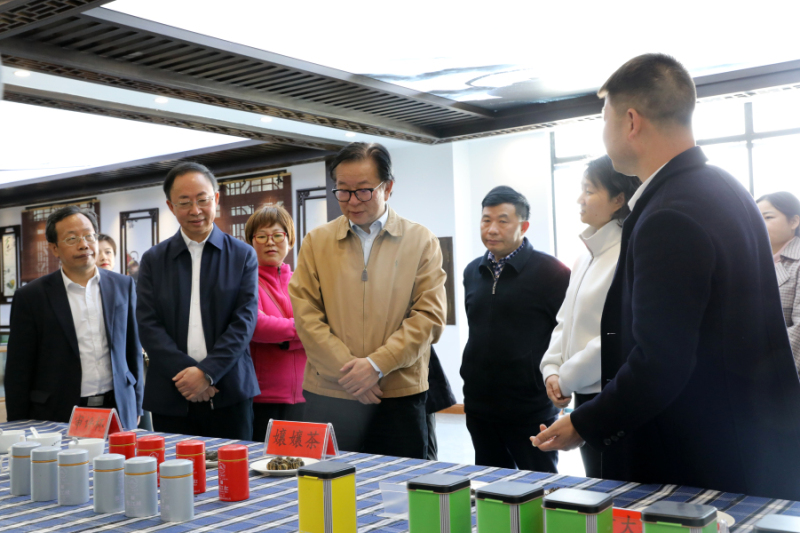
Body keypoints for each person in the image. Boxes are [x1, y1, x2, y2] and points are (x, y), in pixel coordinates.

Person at [532, 53, 800, 500]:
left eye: (604, 117)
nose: (603, 132)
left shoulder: (668, 214)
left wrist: (585, 422)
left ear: (630, 121)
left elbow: (661, 361)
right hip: (748, 441)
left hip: (694, 454)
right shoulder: (725, 187)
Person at [289, 142, 447, 459]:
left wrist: (376, 366)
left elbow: (429, 317)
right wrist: (351, 374)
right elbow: (306, 316)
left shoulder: (420, 240)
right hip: (330, 392)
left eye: (363, 191)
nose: (352, 201)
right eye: (343, 191)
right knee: (327, 482)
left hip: (398, 393)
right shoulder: (317, 242)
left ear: (388, 187)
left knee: (398, 484)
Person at [136, 162, 259, 440]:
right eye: (184, 202)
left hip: (229, 391)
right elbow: (148, 324)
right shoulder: (154, 260)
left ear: (216, 199)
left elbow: (244, 321)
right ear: (171, 206)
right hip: (172, 391)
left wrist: (207, 373)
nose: (195, 210)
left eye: (203, 200)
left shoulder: (242, 255)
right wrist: (188, 375)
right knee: (174, 466)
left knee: (232, 465)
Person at [539, 156, 640, 478]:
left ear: (618, 199)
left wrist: (565, 377)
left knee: (616, 488)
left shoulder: (628, 253)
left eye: (589, 190)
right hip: (582, 391)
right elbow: (564, 321)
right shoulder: (585, 256)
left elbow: (616, 335)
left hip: (610, 394)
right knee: (596, 484)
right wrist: (551, 369)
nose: (579, 199)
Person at [461, 186, 570, 472]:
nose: (492, 229)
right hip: (479, 404)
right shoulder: (472, 271)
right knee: (490, 480)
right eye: (486, 220)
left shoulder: (552, 272)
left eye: (503, 220)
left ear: (524, 226)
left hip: (530, 406)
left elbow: (567, 333)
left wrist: (564, 380)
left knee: (540, 482)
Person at [5, 207, 142, 429]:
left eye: (89, 236)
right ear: (54, 248)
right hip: (58, 412)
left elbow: (132, 350)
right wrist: (18, 425)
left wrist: (136, 404)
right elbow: (18, 369)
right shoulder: (31, 296)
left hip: (117, 407)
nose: (84, 244)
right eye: (72, 238)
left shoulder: (122, 285)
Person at [244, 205, 307, 443]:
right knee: (266, 461)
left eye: (278, 235)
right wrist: (303, 331)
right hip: (263, 398)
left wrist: (284, 338)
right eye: (261, 236)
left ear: (289, 240)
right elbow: (257, 326)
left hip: (306, 396)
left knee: (304, 462)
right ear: (251, 242)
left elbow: (325, 325)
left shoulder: (304, 282)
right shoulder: (246, 281)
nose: (270, 242)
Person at [757, 191, 800, 365]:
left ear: (794, 221)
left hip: (778, 368)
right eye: (756, 218)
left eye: (768, 217)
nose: (759, 224)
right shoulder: (753, 260)